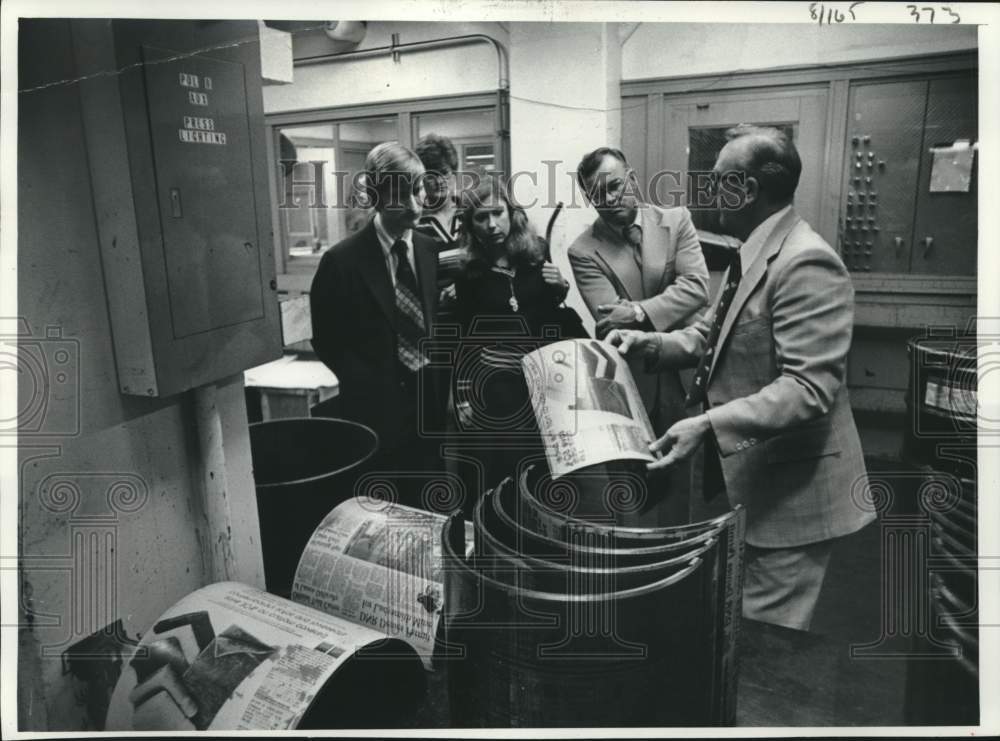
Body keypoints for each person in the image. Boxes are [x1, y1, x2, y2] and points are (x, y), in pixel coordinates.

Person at [608, 125, 874, 630]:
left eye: (717, 182)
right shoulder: (753, 250)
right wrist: (651, 345)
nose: (709, 193)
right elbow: (713, 334)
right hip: (750, 482)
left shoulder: (806, 260)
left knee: (759, 642)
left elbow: (808, 388)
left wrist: (708, 424)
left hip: (791, 501)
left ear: (746, 190)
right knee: (731, 625)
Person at [568, 147, 709, 526]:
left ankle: (684, 565)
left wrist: (637, 311)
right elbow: (609, 323)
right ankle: (641, 569)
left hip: (682, 373)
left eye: (615, 186)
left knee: (683, 493)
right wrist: (663, 308)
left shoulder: (675, 220)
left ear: (632, 178)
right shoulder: (582, 249)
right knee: (631, 495)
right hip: (630, 384)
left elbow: (697, 287)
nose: (610, 200)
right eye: (598, 195)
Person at [309, 142, 445, 509]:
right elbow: (326, 340)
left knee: (429, 511)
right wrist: (370, 383)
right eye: (402, 196)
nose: (416, 205)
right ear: (375, 195)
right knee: (382, 516)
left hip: (428, 411)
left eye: (418, 191)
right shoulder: (342, 262)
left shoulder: (429, 249)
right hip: (374, 417)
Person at [450, 178, 571, 494]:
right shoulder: (467, 274)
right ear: (470, 226)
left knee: (540, 481)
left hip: (539, 387)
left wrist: (560, 288)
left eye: (497, 213)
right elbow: (463, 342)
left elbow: (549, 317)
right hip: (493, 391)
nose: (491, 224)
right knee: (496, 482)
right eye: (481, 217)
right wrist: (463, 397)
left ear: (512, 213)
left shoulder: (536, 255)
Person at [414, 133, 460, 244]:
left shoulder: (471, 214)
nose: (439, 181)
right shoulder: (413, 220)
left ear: (454, 174)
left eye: (444, 173)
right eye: (431, 175)